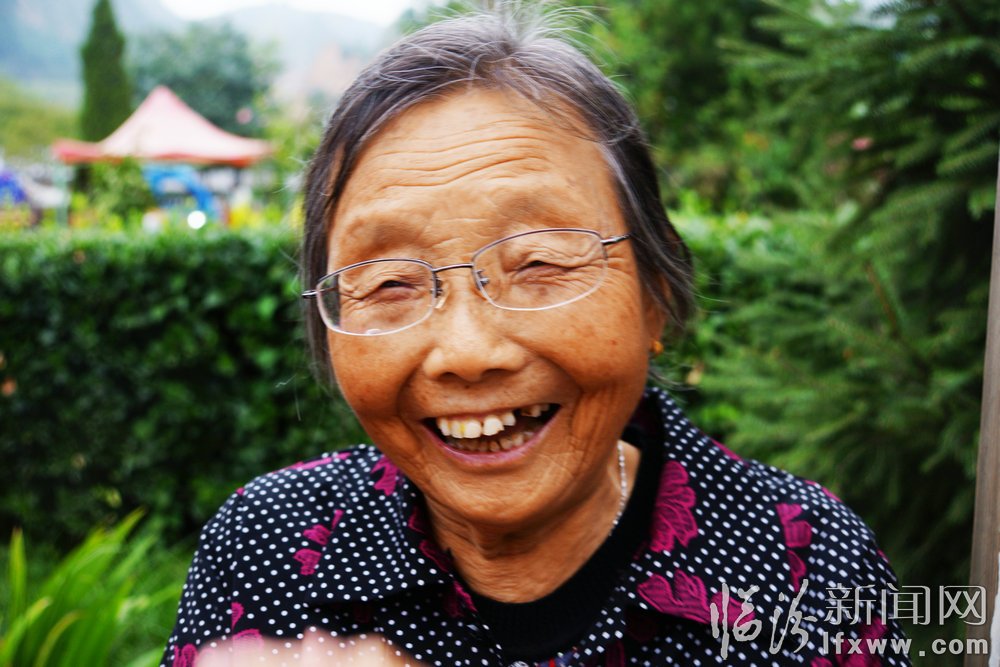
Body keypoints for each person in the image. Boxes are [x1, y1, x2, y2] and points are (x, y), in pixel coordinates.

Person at [162, 7, 910, 666]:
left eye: (540, 263)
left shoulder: (804, 563)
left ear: (655, 292)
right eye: (389, 282)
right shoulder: (266, 550)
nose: (467, 352)